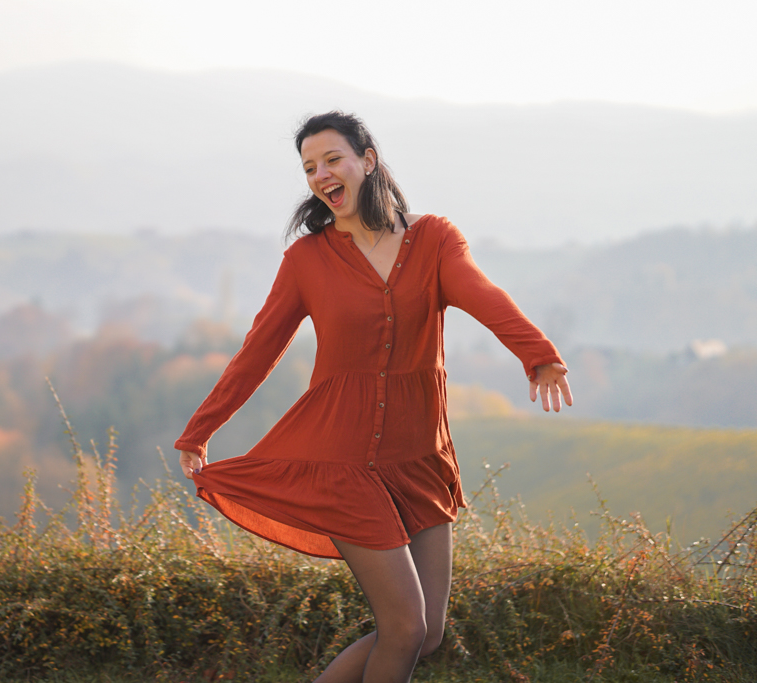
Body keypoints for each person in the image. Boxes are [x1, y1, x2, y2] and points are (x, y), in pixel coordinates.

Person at [175, 111, 573, 683]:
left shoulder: (434, 239)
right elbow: (257, 351)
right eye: (309, 167)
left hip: (420, 458)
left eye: (332, 159)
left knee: (427, 634)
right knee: (405, 627)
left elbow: (483, 295)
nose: (320, 175)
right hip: (344, 461)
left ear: (368, 159)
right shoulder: (306, 261)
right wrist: (200, 429)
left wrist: (537, 354)